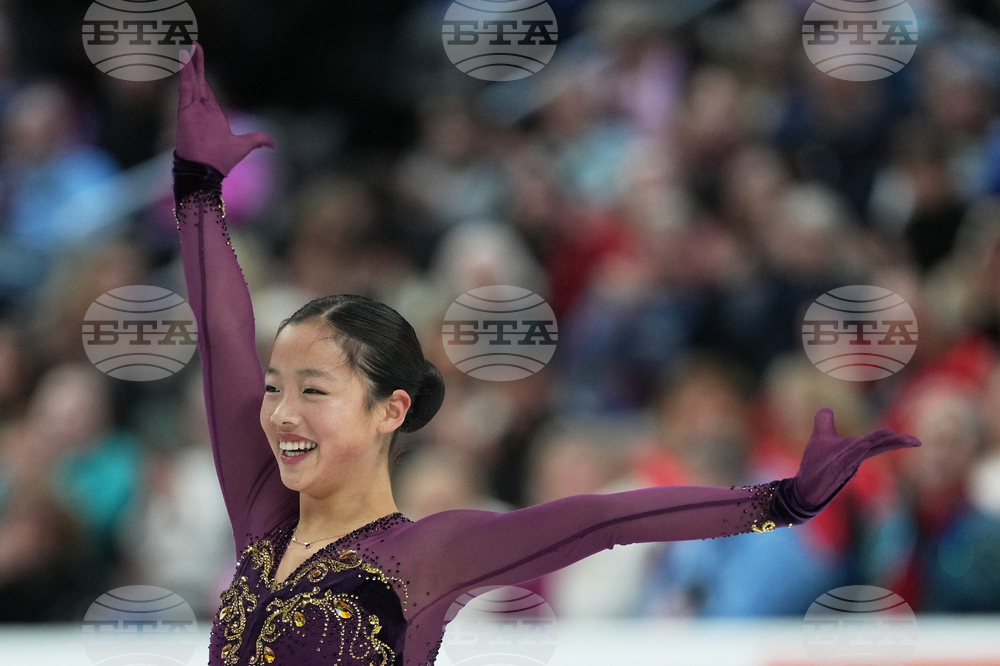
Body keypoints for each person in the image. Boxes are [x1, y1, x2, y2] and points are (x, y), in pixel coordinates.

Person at [172, 43, 922, 666]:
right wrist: (200, 188)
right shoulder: (263, 513)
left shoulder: (428, 554)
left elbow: (605, 518)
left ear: (387, 411)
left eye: (314, 389)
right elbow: (224, 336)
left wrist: (779, 501)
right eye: (276, 389)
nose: (280, 414)